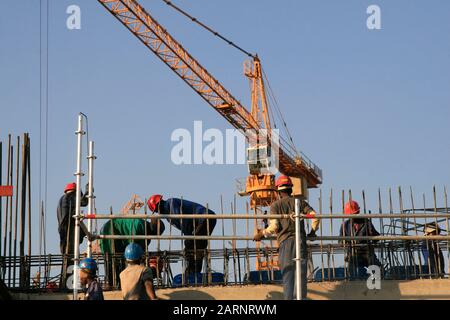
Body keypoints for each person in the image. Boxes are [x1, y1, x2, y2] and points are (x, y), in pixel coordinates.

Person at [253, 175, 320, 300]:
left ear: (278, 191)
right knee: (301, 274)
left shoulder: (276, 205)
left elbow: (274, 227)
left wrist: (261, 234)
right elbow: (314, 216)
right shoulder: (300, 203)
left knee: (288, 274)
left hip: (286, 242)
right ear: (291, 189)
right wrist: (312, 232)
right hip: (301, 242)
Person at [147, 195, 216, 275]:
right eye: (156, 211)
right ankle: (194, 274)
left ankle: (192, 272)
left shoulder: (171, 203)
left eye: (156, 210)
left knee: (192, 245)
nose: (158, 212)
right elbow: (186, 226)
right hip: (202, 221)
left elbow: (184, 222)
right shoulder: (168, 217)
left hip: (205, 217)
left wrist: (188, 239)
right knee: (198, 246)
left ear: (159, 204)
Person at [99, 217, 165, 288]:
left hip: (119, 235)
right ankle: (111, 285)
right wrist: (148, 270)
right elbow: (136, 253)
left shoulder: (146, 234)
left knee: (121, 261)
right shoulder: (140, 227)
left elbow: (142, 254)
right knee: (112, 259)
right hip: (110, 230)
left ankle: (119, 285)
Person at [57, 182, 88, 288]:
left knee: (68, 259)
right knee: (72, 259)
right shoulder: (69, 197)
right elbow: (84, 202)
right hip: (69, 234)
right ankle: (70, 286)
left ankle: (65, 285)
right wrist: (88, 192)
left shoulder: (63, 200)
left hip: (65, 233)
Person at [339, 200, 381, 278]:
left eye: (355, 213)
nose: (354, 215)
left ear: (358, 212)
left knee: (376, 270)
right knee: (352, 275)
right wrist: (345, 242)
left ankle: (377, 283)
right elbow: (340, 241)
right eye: (352, 214)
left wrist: (372, 235)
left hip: (367, 252)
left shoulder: (366, 222)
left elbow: (376, 237)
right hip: (353, 253)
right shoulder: (345, 225)